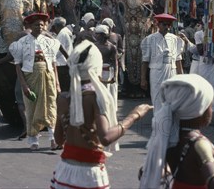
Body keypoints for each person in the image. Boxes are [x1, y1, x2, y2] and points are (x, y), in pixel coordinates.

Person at [50, 41, 151, 189]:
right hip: (89, 174)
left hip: (64, 171)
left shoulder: (64, 98)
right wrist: (134, 115)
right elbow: (105, 138)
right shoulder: (94, 96)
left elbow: (59, 139)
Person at [11, 12, 62, 150]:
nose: (39, 27)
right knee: (31, 107)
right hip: (30, 76)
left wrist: (57, 82)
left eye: (41, 24)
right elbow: (18, 65)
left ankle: (53, 138)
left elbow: (54, 62)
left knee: (51, 105)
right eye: (36, 25)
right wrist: (23, 84)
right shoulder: (21, 43)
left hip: (48, 75)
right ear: (30, 26)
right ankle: (33, 139)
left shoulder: (49, 42)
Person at [140, 13, 184, 112]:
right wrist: (143, 78)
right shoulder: (150, 39)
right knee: (157, 97)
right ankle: (159, 122)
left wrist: (181, 76)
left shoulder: (175, 39)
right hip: (157, 72)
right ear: (158, 25)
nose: (167, 27)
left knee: (171, 97)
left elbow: (178, 59)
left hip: (171, 71)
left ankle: (170, 122)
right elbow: (145, 61)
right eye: (164, 24)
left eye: (168, 25)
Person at [52, 16, 73, 91]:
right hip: (64, 64)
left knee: (63, 88)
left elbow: (58, 51)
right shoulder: (65, 32)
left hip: (62, 65)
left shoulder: (62, 34)